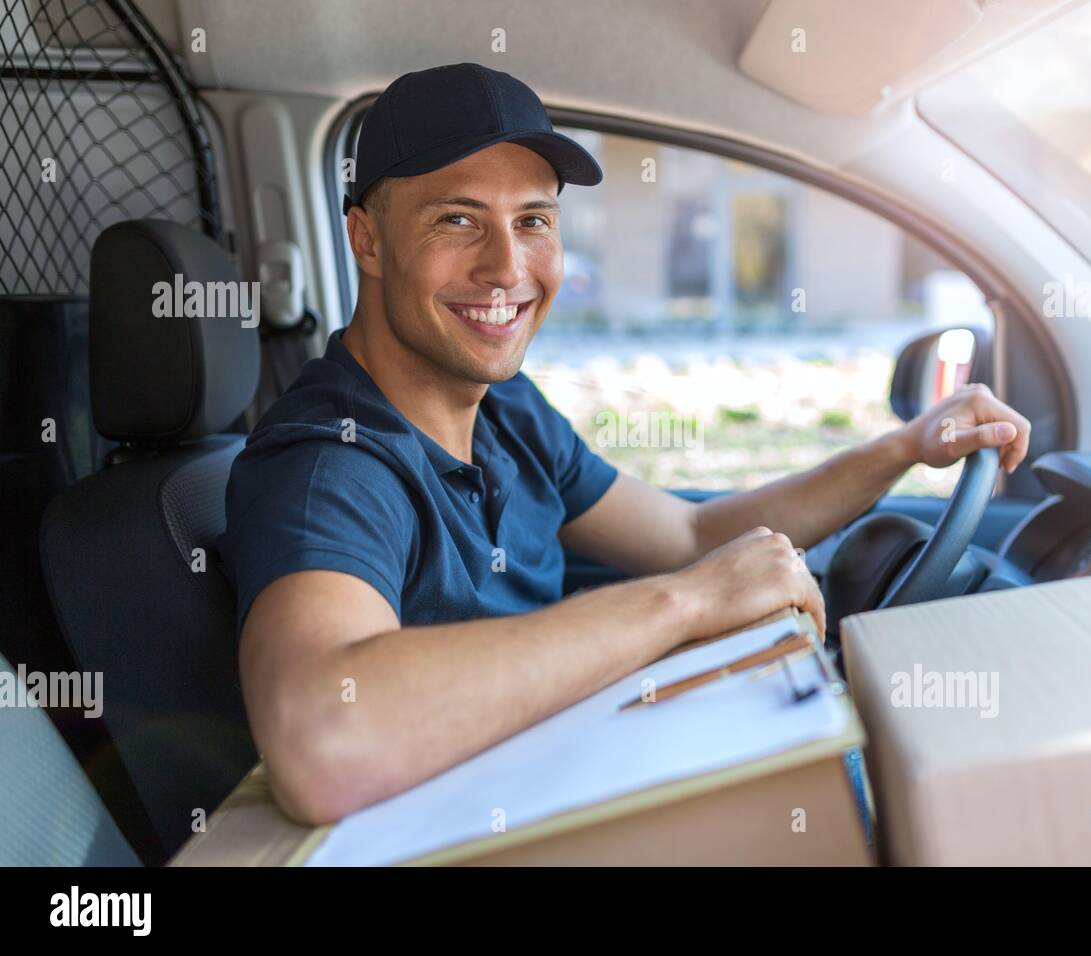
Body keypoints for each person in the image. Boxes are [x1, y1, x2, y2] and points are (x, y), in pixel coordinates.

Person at [219, 63, 1031, 824]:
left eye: (532, 220)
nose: (507, 267)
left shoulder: (503, 409)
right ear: (367, 240)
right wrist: (687, 602)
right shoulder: (332, 465)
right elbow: (324, 736)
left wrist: (904, 448)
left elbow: (688, 534)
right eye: (458, 219)